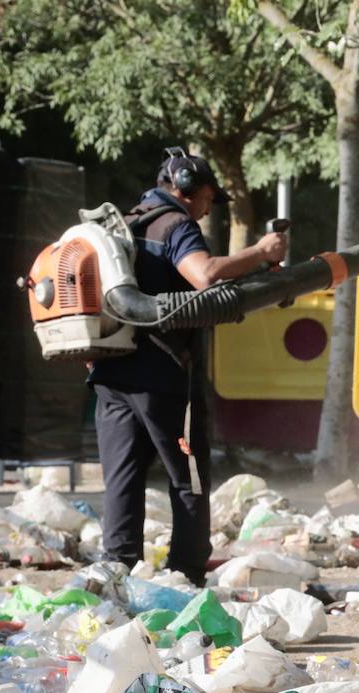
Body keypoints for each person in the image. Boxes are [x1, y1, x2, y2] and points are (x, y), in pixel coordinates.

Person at [90, 146, 287, 584]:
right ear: (185, 189)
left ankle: (114, 572)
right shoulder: (175, 224)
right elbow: (206, 274)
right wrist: (260, 251)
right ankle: (187, 572)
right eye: (206, 199)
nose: (205, 210)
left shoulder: (121, 222)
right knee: (188, 477)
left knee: (122, 478)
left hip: (109, 372)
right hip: (161, 374)